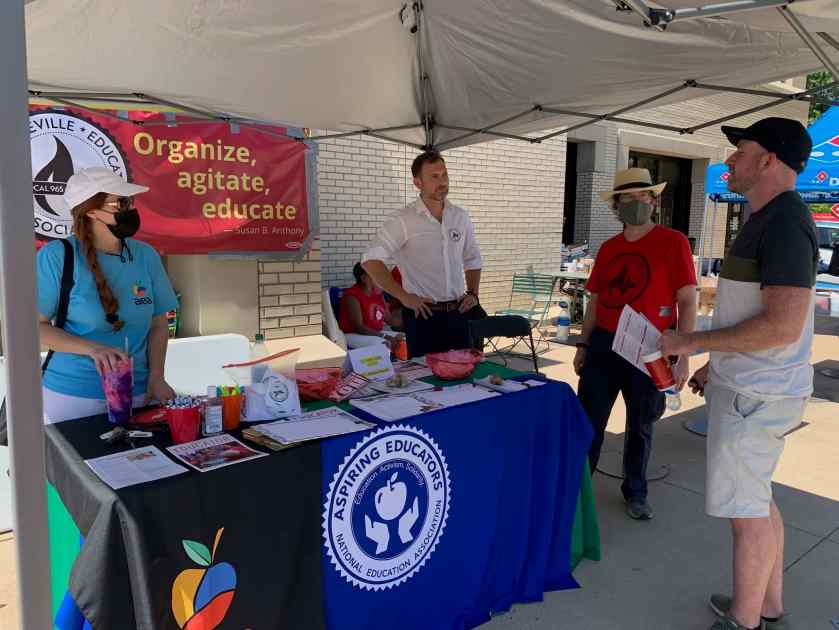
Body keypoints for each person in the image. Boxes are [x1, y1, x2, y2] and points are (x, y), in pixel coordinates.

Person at [660, 117, 817, 630]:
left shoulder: (785, 222)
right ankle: (767, 605)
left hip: (755, 395)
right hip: (750, 387)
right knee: (758, 500)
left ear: (769, 159)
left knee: (746, 515)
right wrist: (713, 363)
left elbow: (781, 326)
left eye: (740, 150)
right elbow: (748, 315)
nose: (729, 160)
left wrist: (691, 342)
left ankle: (744, 621)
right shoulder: (770, 218)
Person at [574, 167, 697, 521]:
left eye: (642, 196)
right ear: (616, 205)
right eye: (626, 198)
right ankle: (579, 490)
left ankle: (636, 491)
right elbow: (595, 301)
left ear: (654, 200)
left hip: (652, 347)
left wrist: (683, 354)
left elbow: (687, 301)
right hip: (604, 345)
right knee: (589, 422)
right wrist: (583, 344)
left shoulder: (673, 243)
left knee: (642, 423)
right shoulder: (609, 248)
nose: (635, 203)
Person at [37, 167, 179, 423]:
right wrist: (94, 349)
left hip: (138, 395)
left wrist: (157, 377)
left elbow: (159, 324)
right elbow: (35, 327)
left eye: (130, 202)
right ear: (90, 210)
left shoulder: (145, 255)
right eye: (120, 203)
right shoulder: (57, 256)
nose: (129, 210)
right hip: (73, 398)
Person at [362, 150, 486, 358]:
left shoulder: (460, 216)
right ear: (417, 182)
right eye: (434, 176)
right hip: (423, 315)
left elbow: (472, 258)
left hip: (459, 314)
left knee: (463, 375)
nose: (442, 181)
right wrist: (404, 297)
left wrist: (473, 292)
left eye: (444, 174)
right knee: (427, 379)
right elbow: (370, 260)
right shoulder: (404, 219)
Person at [338, 262, 403, 348]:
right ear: (364, 278)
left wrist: (410, 317)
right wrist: (384, 336)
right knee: (384, 344)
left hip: (375, 334)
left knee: (404, 338)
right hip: (352, 334)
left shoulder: (378, 294)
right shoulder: (352, 296)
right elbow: (358, 327)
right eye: (375, 275)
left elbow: (390, 320)